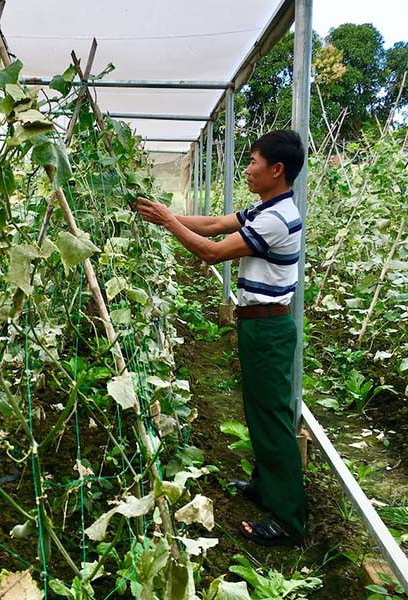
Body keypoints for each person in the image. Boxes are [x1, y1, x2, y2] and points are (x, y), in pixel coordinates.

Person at [136, 129, 307, 547]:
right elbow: (213, 225)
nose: (247, 170)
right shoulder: (268, 207)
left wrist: (169, 222)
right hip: (259, 323)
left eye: (253, 162)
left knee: (273, 420)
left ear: (277, 170)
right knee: (259, 411)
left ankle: (288, 521)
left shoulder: (275, 219)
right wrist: (162, 213)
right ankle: (265, 487)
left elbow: (212, 250)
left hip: (268, 327)